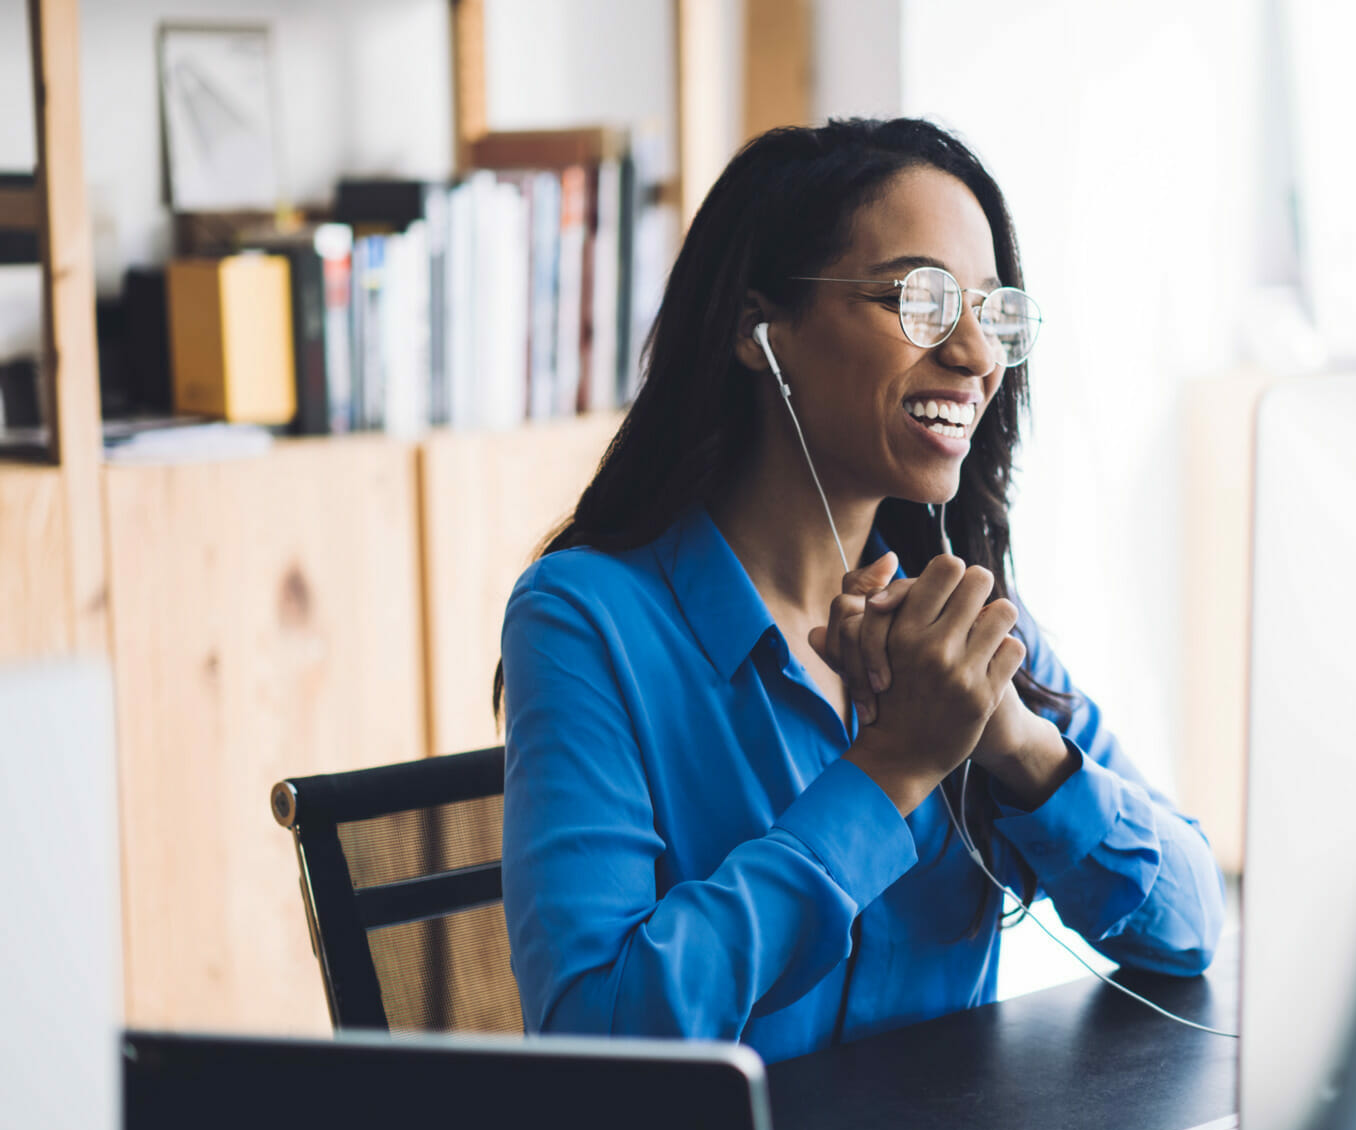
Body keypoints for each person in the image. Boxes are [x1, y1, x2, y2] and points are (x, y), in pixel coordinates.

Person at [499, 117, 1223, 1063]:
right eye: (919, 300)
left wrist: (1013, 742)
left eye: (990, 309)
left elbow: (1191, 919)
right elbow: (600, 1033)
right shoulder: (585, 618)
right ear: (760, 332)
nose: (975, 354)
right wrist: (890, 772)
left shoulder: (961, 612)